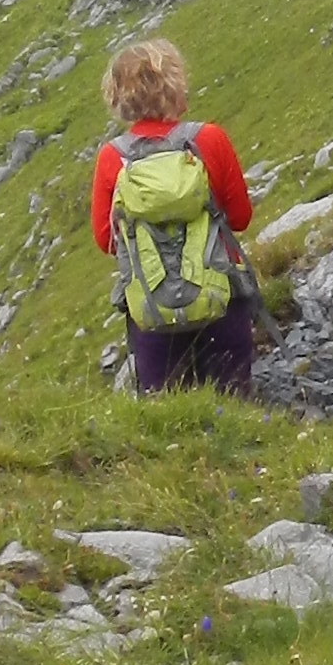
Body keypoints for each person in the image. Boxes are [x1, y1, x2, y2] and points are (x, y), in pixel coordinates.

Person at [91, 38, 260, 396]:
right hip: (221, 298)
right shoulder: (210, 139)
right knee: (234, 406)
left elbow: (107, 239)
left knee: (167, 414)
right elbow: (240, 218)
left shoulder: (113, 157)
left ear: (118, 95)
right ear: (175, 84)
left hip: (152, 310)